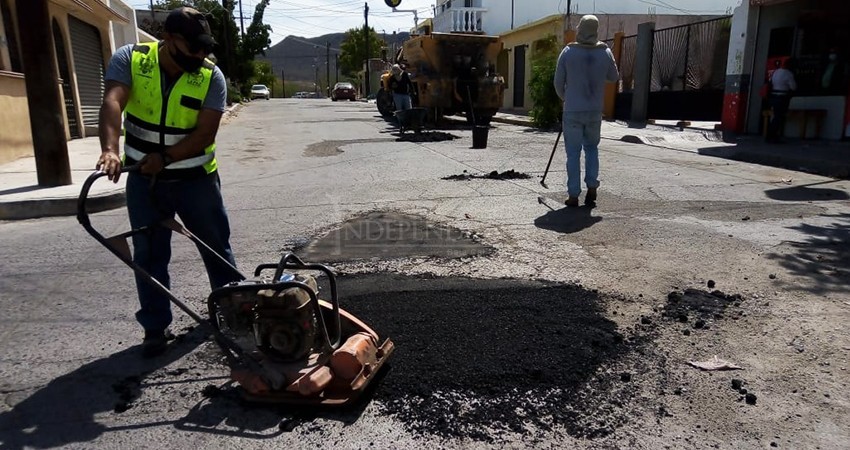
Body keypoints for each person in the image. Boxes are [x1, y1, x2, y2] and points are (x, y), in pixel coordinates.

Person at [96, 7, 240, 358]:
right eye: (193, 47)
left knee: (215, 247)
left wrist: (166, 157)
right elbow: (113, 101)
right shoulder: (132, 60)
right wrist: (110, 150)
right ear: (168, 39)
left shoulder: (211, 76)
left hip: (196, 180)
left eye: (204, 47)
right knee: (149, 254)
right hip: (145, 181)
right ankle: (155, 328)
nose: (200, 55)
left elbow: (205, 133)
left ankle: (234, 315)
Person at [553, 15, 619, 207]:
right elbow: (614, 77)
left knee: (573, 153)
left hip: (573, 110)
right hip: (594, 110)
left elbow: (558, 83)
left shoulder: (568, 52)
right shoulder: (605, 52)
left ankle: (573, 195)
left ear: (580, 29)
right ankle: (592, 187)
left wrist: (567, 99)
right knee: (591, 149)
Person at [766, 58, 797, 143]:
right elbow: (793, 87)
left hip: (773, 96)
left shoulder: (776, 72)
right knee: (778, 117)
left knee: (776, 116)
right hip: (782, 97)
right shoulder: (788, 74)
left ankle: (770, 135)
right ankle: (772, 136)